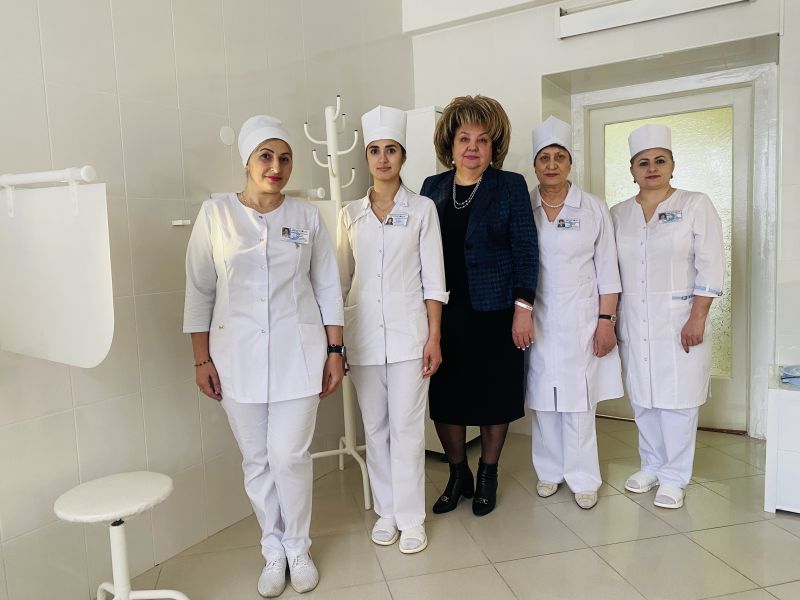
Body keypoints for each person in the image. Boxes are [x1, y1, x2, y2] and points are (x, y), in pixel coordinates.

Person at [183, 115, 345, 596]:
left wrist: (335, 350)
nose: (276, 167)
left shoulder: (307, 217)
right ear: (248, 161)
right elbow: (199, 290)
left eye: (285, 158)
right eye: (266, 156)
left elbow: (328, 286)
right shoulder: (216, 215)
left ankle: (298, 547)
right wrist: (201, 360)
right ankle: (273, 551)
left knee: (288, 456)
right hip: (235, 358)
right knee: (256, 459)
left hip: (301, 354)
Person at [420, 95, 538, 516]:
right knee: (446, 397)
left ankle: (488, 472)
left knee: (494, 395)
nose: (473, 147)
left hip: (496, 312)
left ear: (493, 147)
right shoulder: (432, 188)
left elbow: (526, 248)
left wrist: (523, 309)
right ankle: (458, 474)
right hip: (444, 313)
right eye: (464, 138)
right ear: (450, 145)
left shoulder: (510, 186)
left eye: (483, 139)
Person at [337, 105, 448, 554]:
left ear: (403, 156)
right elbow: (341, 282)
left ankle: (411, 517)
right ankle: (386, 512)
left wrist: (434, 337)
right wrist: (338, 344)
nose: (383, 159)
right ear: (367, 157)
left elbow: (434, 281)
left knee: (406, 429)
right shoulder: (350, 214)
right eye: (375, 151)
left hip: (410, 338)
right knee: (376, 428)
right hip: (363, 338)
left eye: (391, 150)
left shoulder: (422, 209)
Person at [611, 123, 724, 509]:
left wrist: (698, 317)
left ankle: (675, 476)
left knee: (678, 399)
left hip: (680, 318)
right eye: (643, 162)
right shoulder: (618, 214)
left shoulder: (695, 205)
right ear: (632, 170)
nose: (652, 168)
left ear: (672, 165)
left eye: (660, 160)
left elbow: (711, 265)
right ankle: (652, 465)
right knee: (643, 397)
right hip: (634, 319)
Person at [525, 116, 623, 510]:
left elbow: (609, 272)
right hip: (536, 319)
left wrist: (606, 322)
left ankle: (583, 477)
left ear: (570, 162)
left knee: (580, 401)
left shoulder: (593, 208)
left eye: (559, 157)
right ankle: (549, 471)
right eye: (544, 157)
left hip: (583, 320)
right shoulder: (524, 207)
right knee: (543, 398)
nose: (551, 164)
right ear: (535, 164)